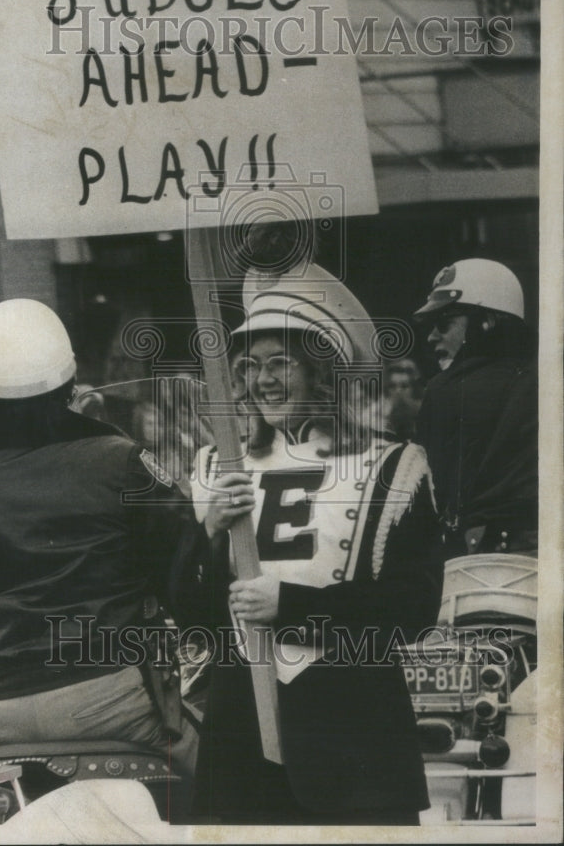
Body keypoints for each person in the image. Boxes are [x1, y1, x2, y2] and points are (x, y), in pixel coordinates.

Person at [189, 261, 445, 826]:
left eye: (282, 362)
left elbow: (413, 611)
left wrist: (292, 608)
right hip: (242, 747)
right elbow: (188, 613)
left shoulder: (394, 466)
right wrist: (207, 533)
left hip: (354, 737)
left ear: (322, 371)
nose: (264, 380)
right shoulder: (215, 468)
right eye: (251, 365)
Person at [0, 299, 201, 776]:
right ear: (72, 384)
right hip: (107, 703)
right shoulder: (121, 462)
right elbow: (191, 584)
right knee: (226, 778)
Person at [412, 258, 538, 557]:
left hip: (478, 561)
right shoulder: (548, 379)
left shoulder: (443, 390)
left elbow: (428, 495)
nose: (431, 337)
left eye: (444, 324)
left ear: (486, 322)